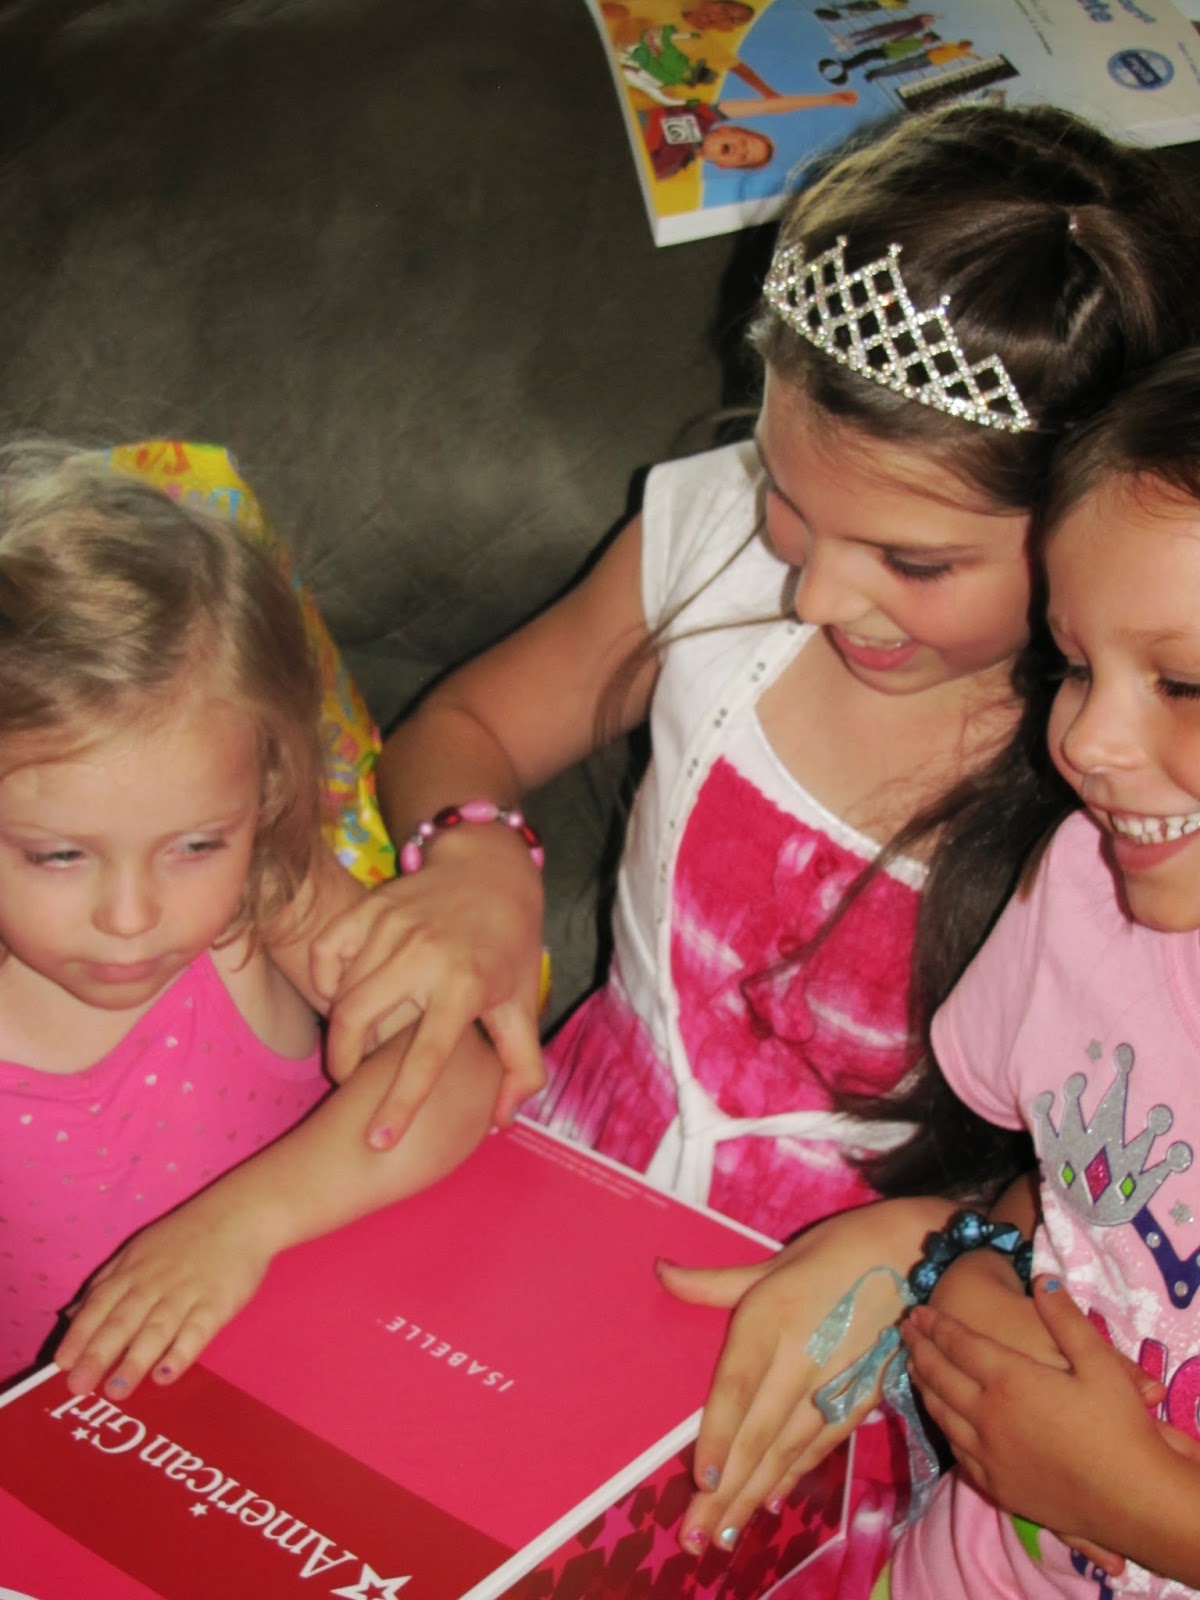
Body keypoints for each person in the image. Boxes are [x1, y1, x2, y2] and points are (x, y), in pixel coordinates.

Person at [326, 104, 1200, 1593]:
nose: (818, 593)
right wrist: (471, 852)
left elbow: (1088, 1176)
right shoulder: (717, 541)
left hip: (830, 1345)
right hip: (551, 1173)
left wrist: (931, 1265)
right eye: (790, 501)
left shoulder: (1116, 782)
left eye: (913, 560)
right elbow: (462, 724)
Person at [0, 443, 500, 1399]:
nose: (132, 917)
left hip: (306, 1393)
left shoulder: (269, 891)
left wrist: (241, 1224)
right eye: (58, 856)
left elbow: (456, 1067)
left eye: (196, 844)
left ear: (266, 793)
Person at [884, 348, 1200, 1597]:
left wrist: (1144, 1506)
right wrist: (975, 1261)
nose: (1088, 738)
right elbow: (1076, 1191)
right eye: (1074, 665)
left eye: (1183, 682)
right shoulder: (1079, 884)